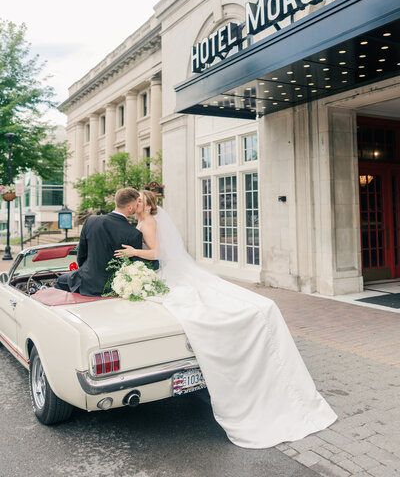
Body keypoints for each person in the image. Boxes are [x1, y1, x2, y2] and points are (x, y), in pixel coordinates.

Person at [116, 195, 337, 449]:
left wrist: (134, 252)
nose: (139, 203)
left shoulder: (149, 222)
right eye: (138, 200)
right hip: (163, 272)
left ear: (147, 204)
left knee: (197, 304)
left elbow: (158, 252)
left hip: (166, 272)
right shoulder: (145, 220)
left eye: (142, 199)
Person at [55, 187, 143, 296]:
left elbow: (81, 255)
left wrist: (88, 271)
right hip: (115, 287)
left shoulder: (91, 221)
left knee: (59, 281)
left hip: (87, 282)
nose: (138, 206)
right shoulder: (134, 234)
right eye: (136, 204)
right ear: (129, 207)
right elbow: (134, 265)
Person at [114, 189, 159, 270]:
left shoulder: (147, 224)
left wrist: (134, 252)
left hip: (150, 267)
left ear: (148, 207)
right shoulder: (142, 220)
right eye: (136, 200)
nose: (136, 203)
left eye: (140, 201)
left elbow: (157, 252)